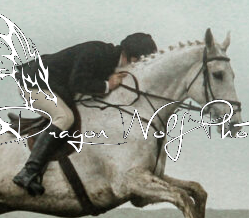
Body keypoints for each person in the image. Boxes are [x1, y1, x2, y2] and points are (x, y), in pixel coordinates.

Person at [13, 32, 157, 196]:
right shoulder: (95, 53)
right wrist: (107, 85)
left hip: (55, 86)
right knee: (65, 117)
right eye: (138, 62)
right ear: (132, 57)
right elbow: (77, 83)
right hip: (33, 84)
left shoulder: (111, 60)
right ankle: (28, 171)